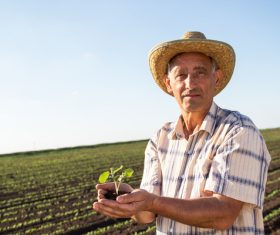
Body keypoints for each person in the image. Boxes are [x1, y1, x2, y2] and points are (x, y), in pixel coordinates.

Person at [93, 31, 271, 234]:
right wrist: (131, 200)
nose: (190, 83)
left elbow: (223, 213)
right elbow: (147, 214)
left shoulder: (237, 130)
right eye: (181, 75)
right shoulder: (160, 138)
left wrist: (154, 202)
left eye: (200, 73)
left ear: (217, 79)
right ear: (169, 84)